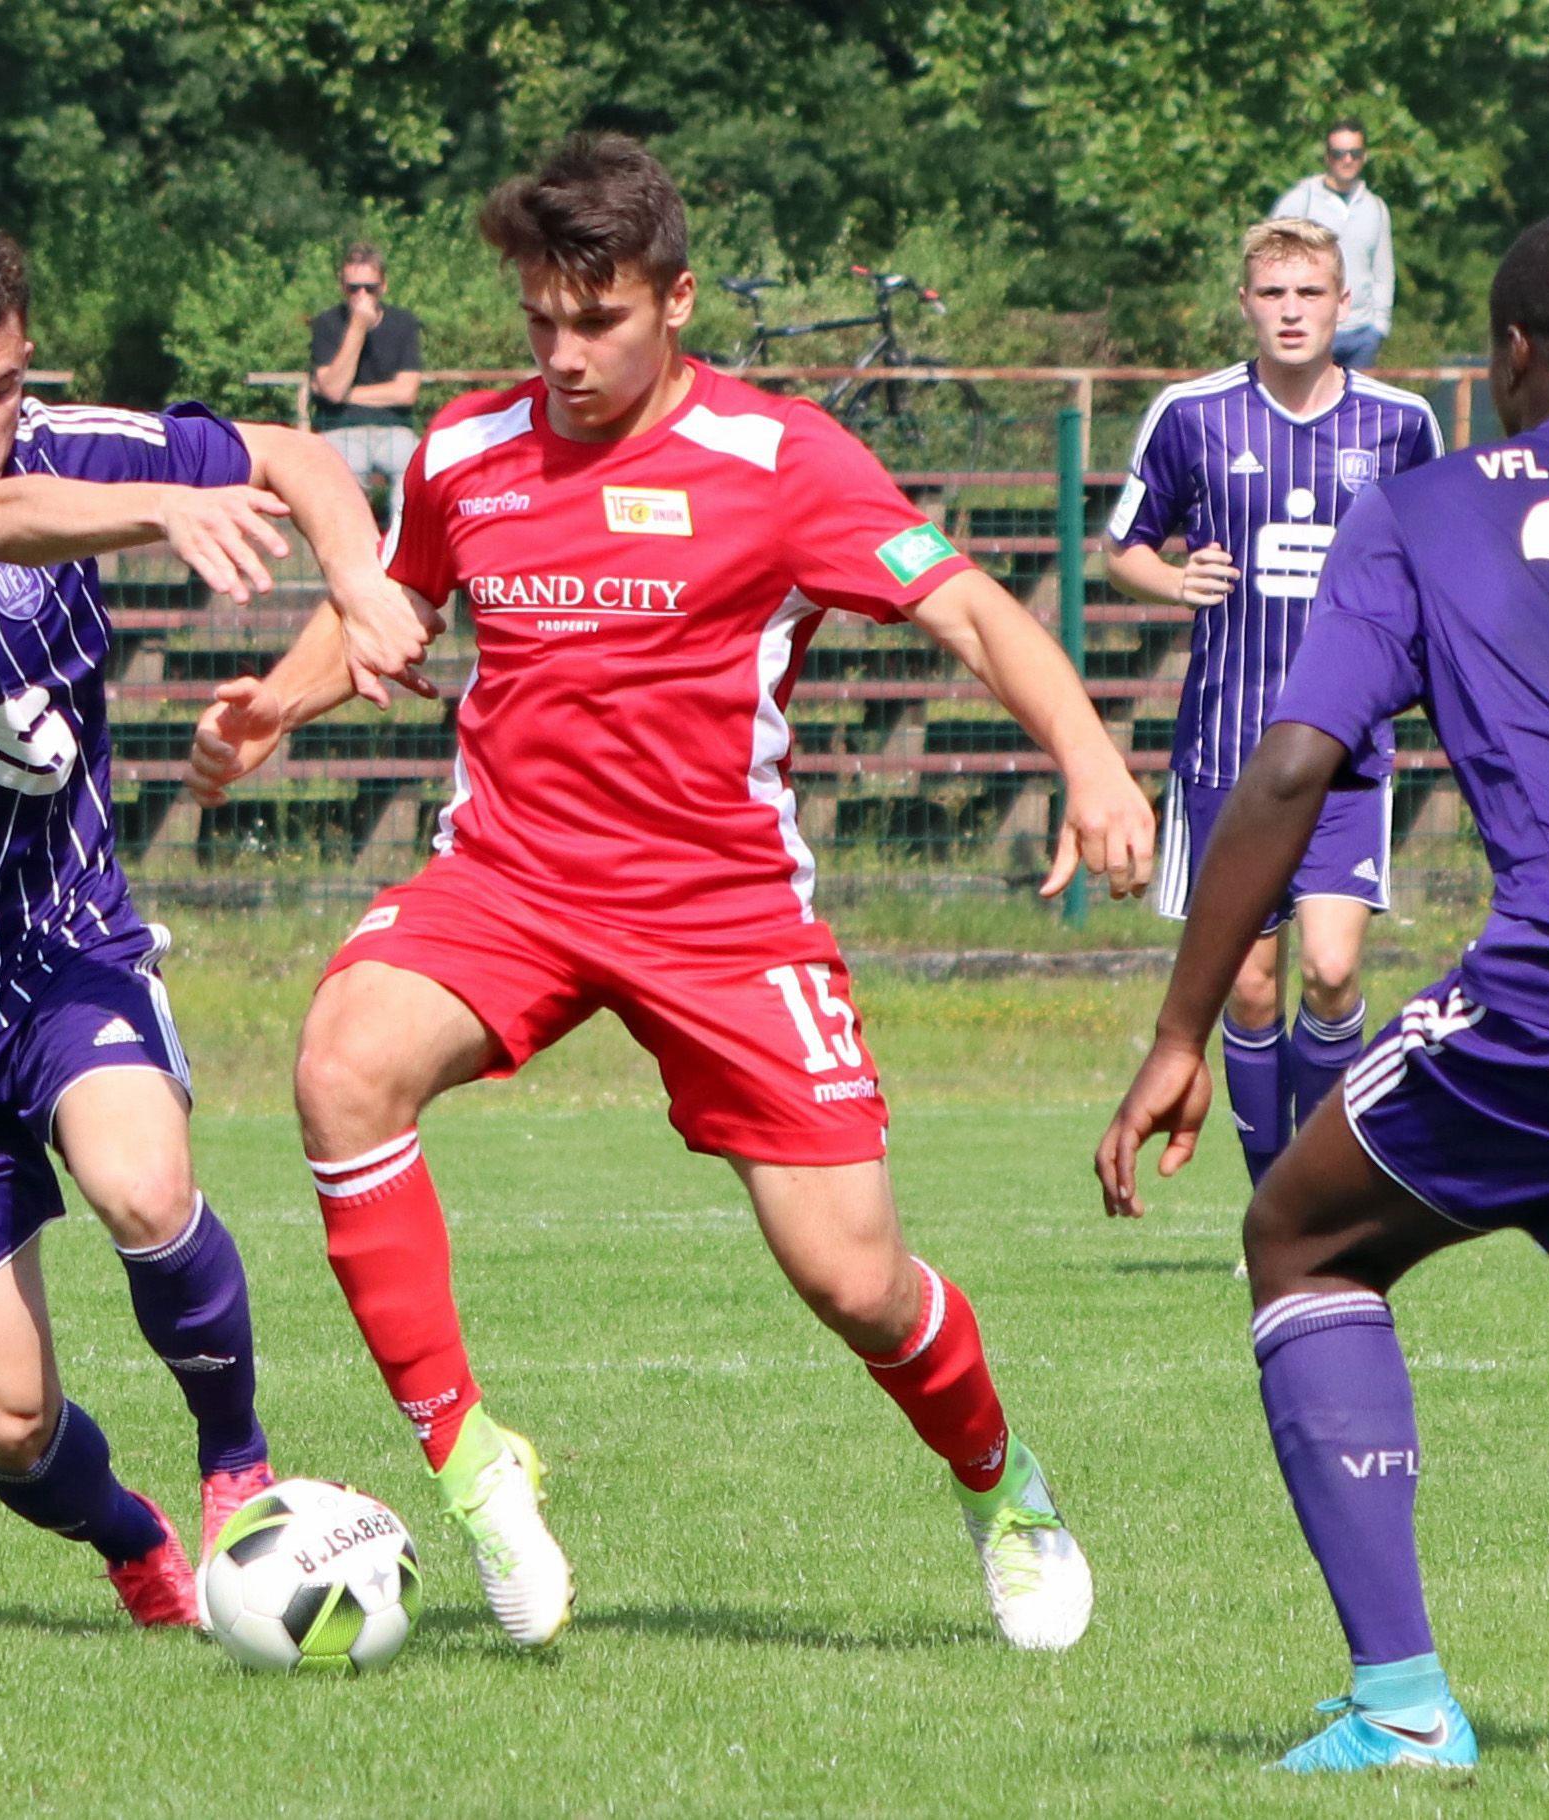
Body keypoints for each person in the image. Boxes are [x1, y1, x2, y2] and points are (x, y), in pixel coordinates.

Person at [190, 135, 1155, 1653]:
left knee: (855, 1282)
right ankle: (467, 1462)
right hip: (507, 881)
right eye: (538, 324)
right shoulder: (460, 450)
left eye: (598, 321)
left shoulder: (782, 460)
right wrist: (270, 713)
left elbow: (966, 603)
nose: (563, 357)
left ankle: (999, 1484)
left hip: (723, 918)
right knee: (339, 1063)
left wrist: (1092, 765)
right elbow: (393, 606)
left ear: (676, 299)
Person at [0, 223, 430, 1628]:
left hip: (60, 939)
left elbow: (297, 459)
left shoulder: (70, 438)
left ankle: (238, 1471)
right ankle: (134, 1541)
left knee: (141, 1186)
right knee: (8, 1423)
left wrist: (359, 583)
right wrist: (158, 513)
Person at [1098, 205, 1549, 1775]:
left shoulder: (1422, 507)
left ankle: (1402, 1705)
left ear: (1506, 358)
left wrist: (1175, 1026)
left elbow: (1292, 763)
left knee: (1297, 1234)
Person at [1105, 218, 1440, 1190]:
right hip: (1228, 749)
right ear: (1246, 303)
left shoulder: (1400, 424)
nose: (1291, 312)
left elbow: (1438, 560)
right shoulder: (1191, 414)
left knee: (1332, 971)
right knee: (1248, 985)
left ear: (1344, 305)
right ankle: (1271, 1201)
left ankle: (1321, 1187)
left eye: (1310, 294)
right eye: (1273, 294)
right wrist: (1174, 582)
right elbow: (1123, 546)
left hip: (1346, 750)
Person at [307, 240, 423, 504]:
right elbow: (334, 390)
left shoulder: (404, 323)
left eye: (369, 288)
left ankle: (400, 542)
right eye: (353, 288)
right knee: (345, 476)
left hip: (394, 429)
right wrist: (358, 327)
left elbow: (406, 393)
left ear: (383, 286)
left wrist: (343, 394)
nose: (361, 295)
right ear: (342, 287)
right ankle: (359, 544)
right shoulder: (327, 324)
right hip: (341, 428)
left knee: (415, 473)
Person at [1273, 119, 1395, 369]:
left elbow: (1383, 272)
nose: (1347, 160)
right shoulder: (1299, 202)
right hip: (1310, 328)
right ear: (1327, 157)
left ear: (1364, 156)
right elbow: (1270, 260)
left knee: (1356, 408)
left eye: (1355, 153)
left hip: (1362, 334)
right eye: (1339, 153)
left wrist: (1379, 327)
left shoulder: (1376, 208)